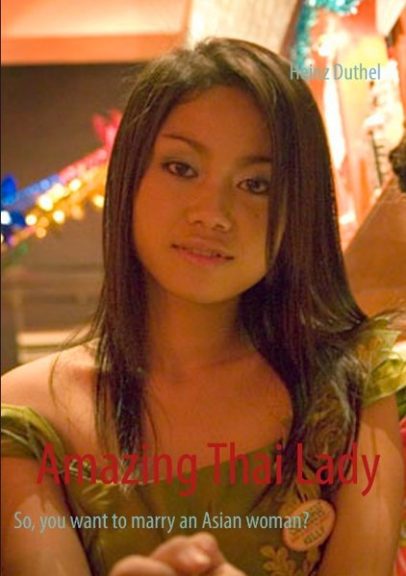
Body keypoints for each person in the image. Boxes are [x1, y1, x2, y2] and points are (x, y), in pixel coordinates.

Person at [1, 37, 405, 576]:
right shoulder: (28, 416)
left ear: (299, 208)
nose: (213, 213)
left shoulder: (352, 384)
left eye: (256, 184)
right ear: (130, 178)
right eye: (181, 168)